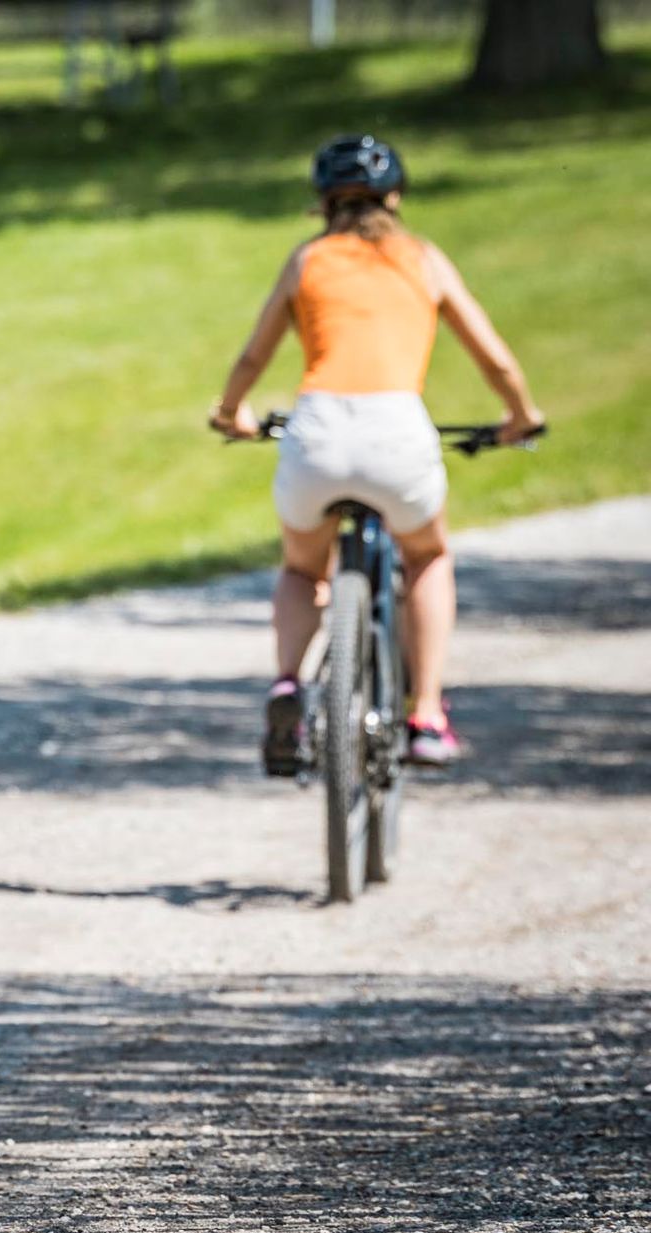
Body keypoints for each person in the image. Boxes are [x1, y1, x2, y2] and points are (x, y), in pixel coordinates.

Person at [209, 134, 546, 770]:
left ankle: (287, 684)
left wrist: (232, 415)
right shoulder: (422, 259)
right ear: (394, 197)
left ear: (323, 203)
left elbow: (253, 355)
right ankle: (425, 714)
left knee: (303, 569)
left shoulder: (307, 260)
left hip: (317, 432)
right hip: (398, 433)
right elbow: (493, 356)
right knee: (428, 557)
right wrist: (521, 418)